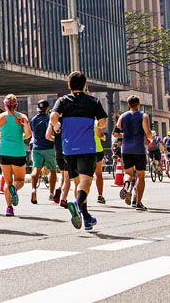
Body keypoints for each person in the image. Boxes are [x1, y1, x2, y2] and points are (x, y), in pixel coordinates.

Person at [48, 71, 107, 231]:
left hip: (68, 148)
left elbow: (53, 116)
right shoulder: (93, 101)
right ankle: (77, 204)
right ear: (85, 85)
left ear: (69, 86)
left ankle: (86, 218)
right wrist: (97, 124)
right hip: (87, 148)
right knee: (86, 181)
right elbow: (102, 122)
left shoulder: (63, 101)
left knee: (76, 182)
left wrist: (55, 125)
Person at [0, 94, 31, 217]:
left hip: (3, 151)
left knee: (7, 181)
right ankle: (14, 189)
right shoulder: (21, 117)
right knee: (19, 180)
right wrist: (21, 136)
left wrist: (2, 135)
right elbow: (28, 134)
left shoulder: (0, 117)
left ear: (5, 105)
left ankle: (9, 208)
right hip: (18, 152)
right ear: (16, 105)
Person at [115, 95, 154, 211]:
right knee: (140, 176)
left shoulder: (122, 116)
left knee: (128, 173)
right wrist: (152, 137)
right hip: (139, 149)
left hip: (126, 149)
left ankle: (126, 184)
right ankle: (138, 203)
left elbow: (115, 133)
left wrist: (124, 135)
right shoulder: (143, 116)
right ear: (139, 104)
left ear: (128, 105)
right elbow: (147, 132)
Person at [29, 100, 57, 204]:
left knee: (36, 169)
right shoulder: (49, 119)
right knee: (52, 170)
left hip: (36, 148)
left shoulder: (33, 120)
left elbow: (32, 131)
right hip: (48, 147)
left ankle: (33, 189)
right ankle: (51, 193)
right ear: (47, 108)